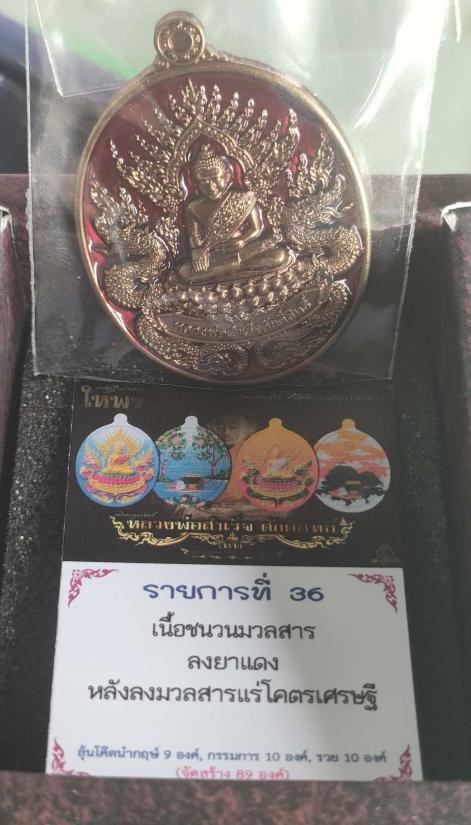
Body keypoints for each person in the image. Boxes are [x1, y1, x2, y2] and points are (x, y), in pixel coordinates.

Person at [177, 143, 291, 285]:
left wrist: (242, 240)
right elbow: (194, 237)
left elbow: (256, 229)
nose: (211, 187)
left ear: (228, 176)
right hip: (214, 255)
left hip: (242, 250)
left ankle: (225, 274)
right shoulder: (193, 208)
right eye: (203, 182)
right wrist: (197, 251)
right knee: (183, 272)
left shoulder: (243, 199)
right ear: (194, 183)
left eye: (216, 178)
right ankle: (236, 272)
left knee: (279, 255)